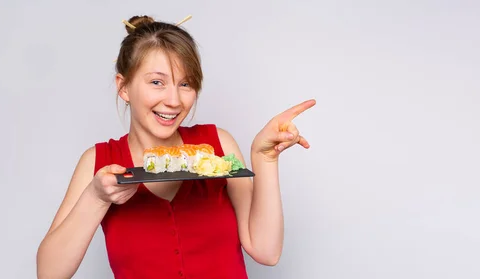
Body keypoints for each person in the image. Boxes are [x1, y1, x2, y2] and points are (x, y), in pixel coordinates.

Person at [36, 14, 316, 279]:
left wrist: (264, 158)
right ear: (124, 87)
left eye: (185, 84)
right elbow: (49, 273)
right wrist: (96, 198)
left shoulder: (218, 144)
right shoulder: (98, 161)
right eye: (157, 82)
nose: (174, 100)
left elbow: (266, 251)